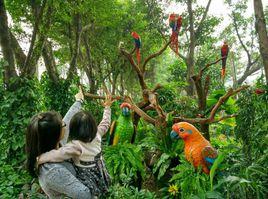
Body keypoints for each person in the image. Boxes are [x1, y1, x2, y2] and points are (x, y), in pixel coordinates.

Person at [37, 92, 115, 197]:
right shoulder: (98, 133)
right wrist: (107, 107)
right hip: (99, 168)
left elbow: (57, 154)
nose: (65, 125)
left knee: (91, 190)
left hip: (87, 175)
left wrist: (40, 158)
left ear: (72, 130)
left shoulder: (75, 146)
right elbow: (105, 123)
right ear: (93, 126)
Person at [26, 88, 92, 198]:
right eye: (62, 125)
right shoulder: (53, 171)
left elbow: (68, 119)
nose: (65, 125)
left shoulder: (54, 145)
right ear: (54, 135)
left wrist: (79, 101)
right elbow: (84, 194)